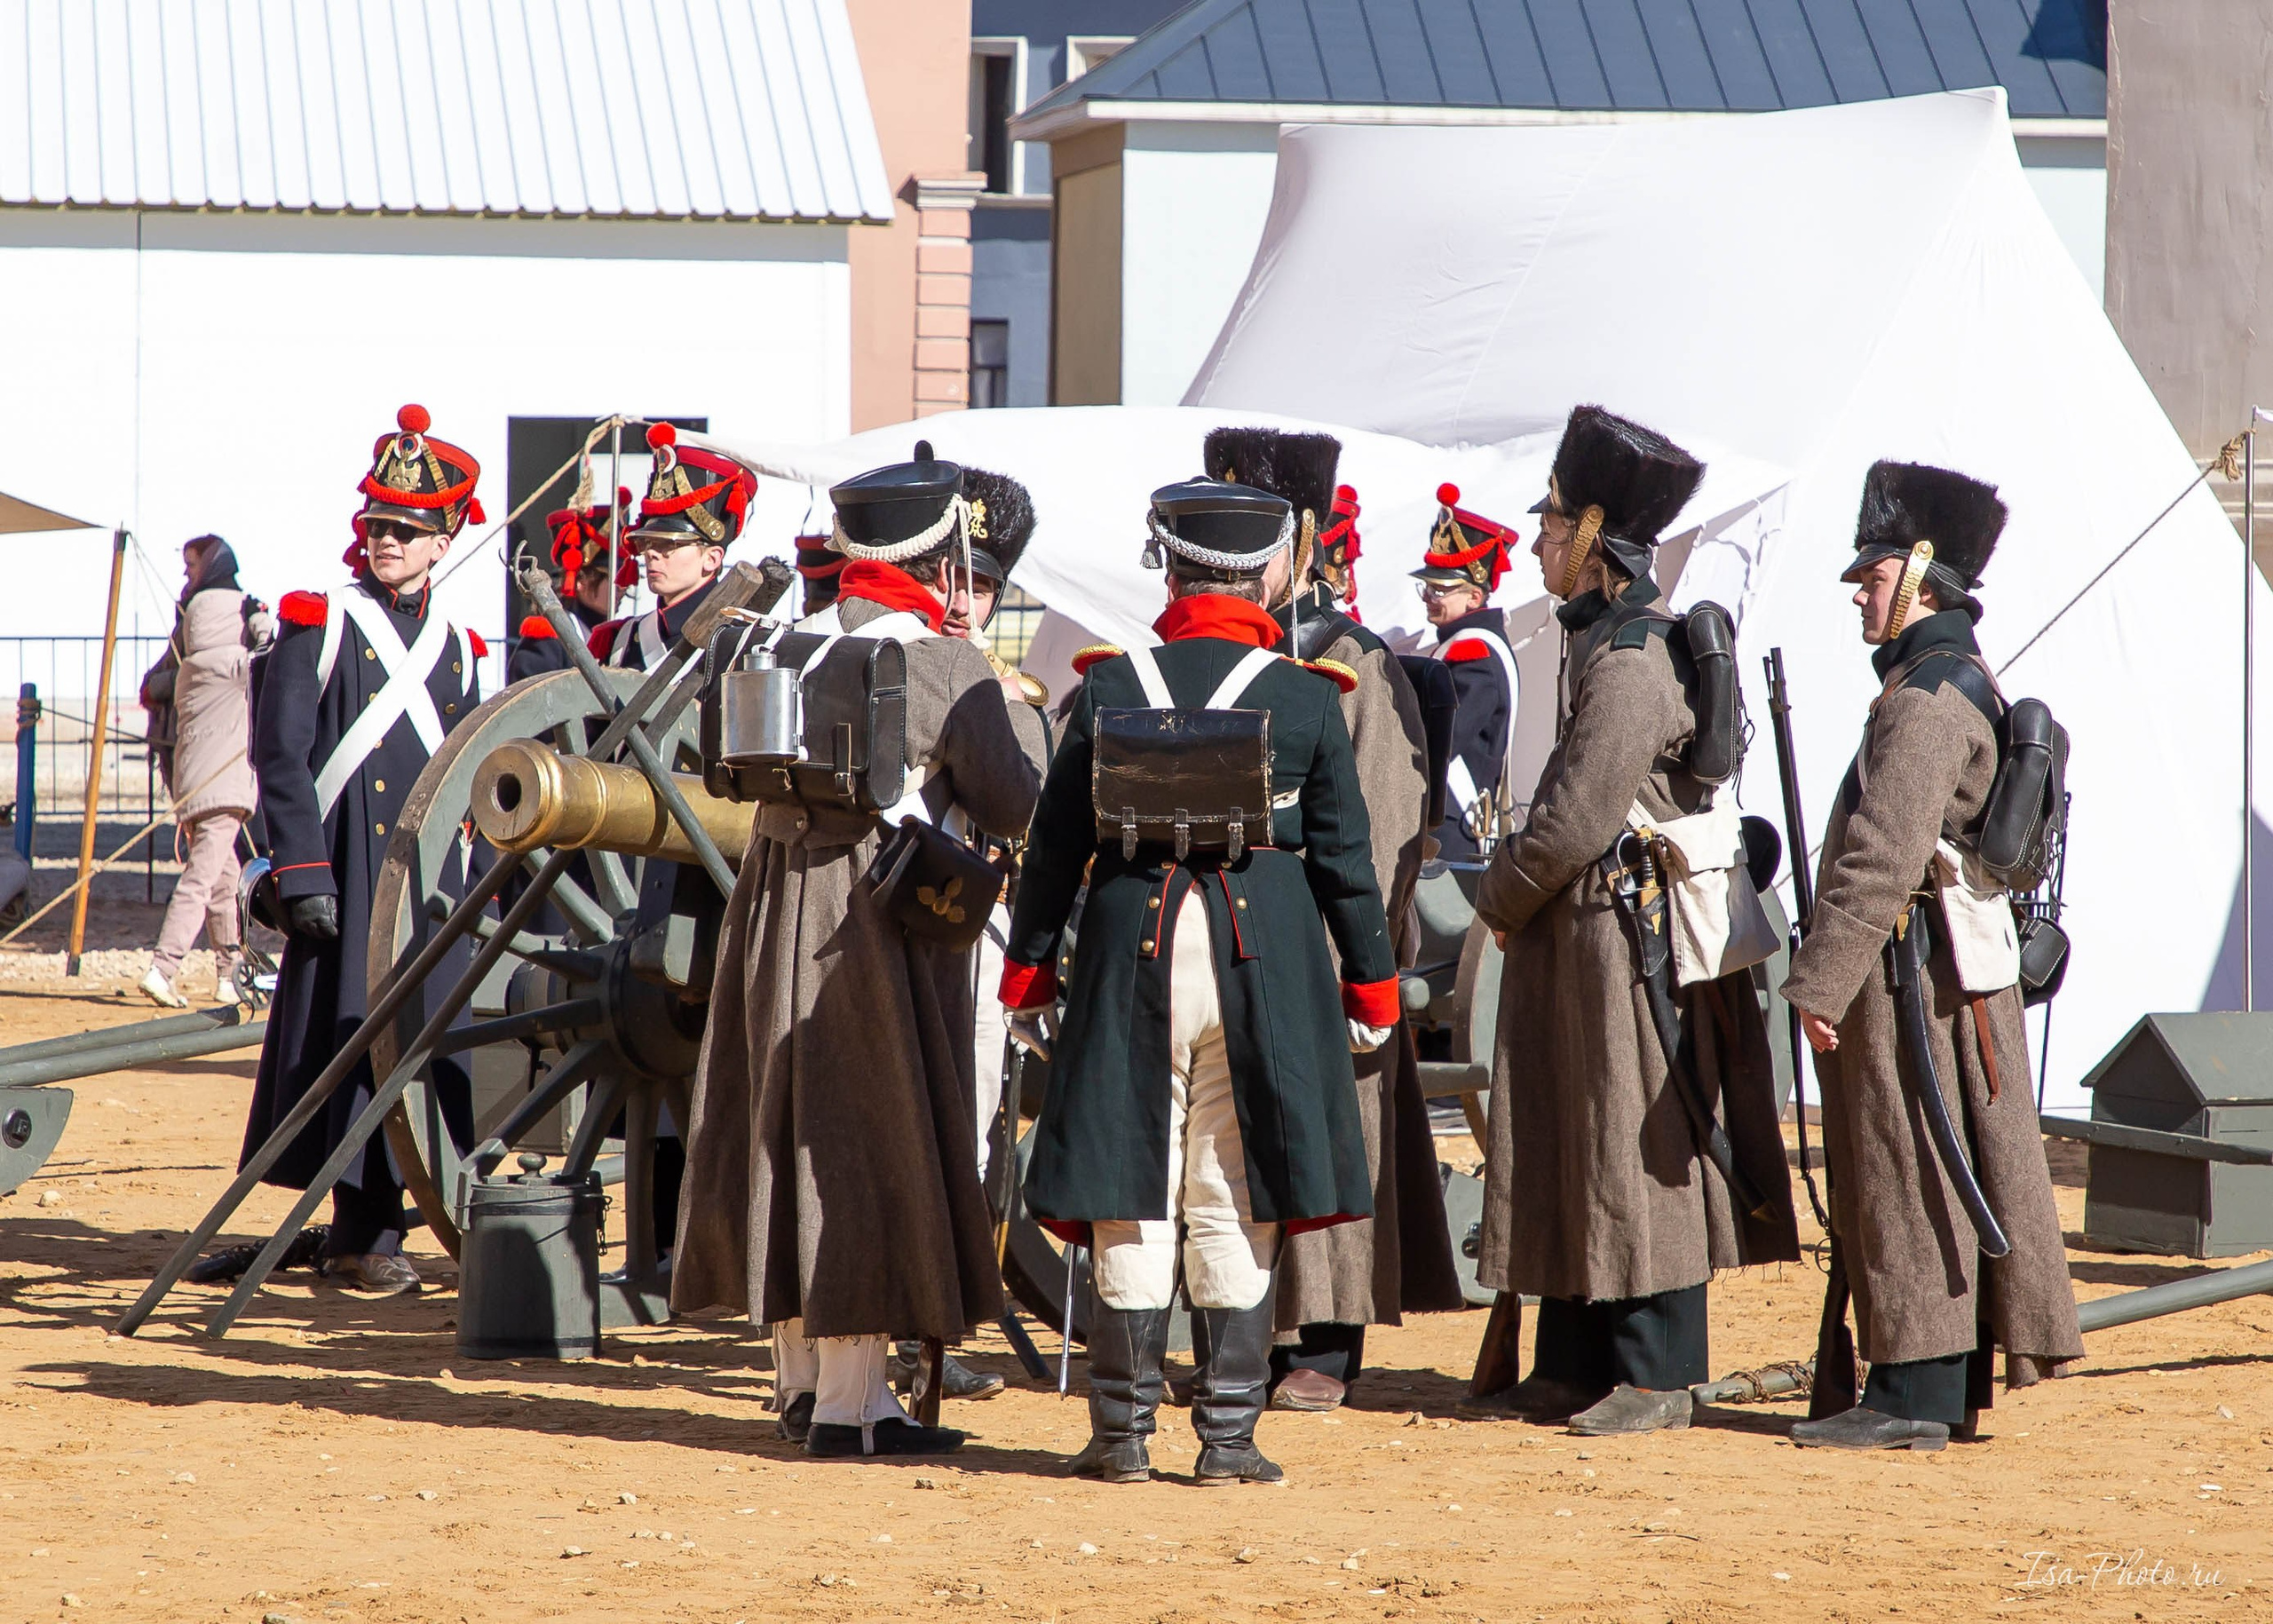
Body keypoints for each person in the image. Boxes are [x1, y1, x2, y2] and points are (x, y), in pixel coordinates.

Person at [1002, 476, 1401, 1486]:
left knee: (1127, 1184)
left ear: (1172, 569)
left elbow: (1053, 849)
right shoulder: (1308, 693)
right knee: (1232, 1183)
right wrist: (1372, 986)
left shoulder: (1109, 685)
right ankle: (1227, 1437)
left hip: (1129, 948)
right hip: (1261, 956)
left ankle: (1121, 1435)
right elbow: (1345, 861)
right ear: (1264, 575)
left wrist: (1027, 971)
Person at [673, 440, 1048, 1460]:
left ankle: (799, 1384)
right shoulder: (945, 661)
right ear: (942, 557)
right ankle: (853, 1407)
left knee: (781, 1125)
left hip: (769, 899)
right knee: (860, 1141)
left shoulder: (782, 634)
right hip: (871, 917)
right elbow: (1013, 801)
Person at [1463, 405, 1797, 1435]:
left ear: (1593, 529)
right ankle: (1573, 1361)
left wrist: (1497, 897)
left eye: (1550, 522)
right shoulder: (1601, 641)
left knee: (1634, 1147)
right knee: (1576, 1139)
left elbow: (1575, 819)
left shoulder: (1631, 661)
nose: (1535, 541)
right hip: (1584, 937)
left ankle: (1656, 1372)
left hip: (1625, 943)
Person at [1782, 462, 2082, 1451]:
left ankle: (1911, 1391)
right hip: (1923, 966)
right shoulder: (1941, 681)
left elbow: (1881, 855)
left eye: (1872, 578)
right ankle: (1926, 1389)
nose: (1858, 596)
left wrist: (1819, 982)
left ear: (1917, 576)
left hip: (1912, 974)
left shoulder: (1925, 700)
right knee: (1918, 1168)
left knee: (1908, 1167)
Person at [1206, 425, 1462, 1414]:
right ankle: (1239, 1329)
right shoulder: (1210, 655)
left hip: (1317, 942)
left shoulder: (1354, 663)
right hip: (1219, 939)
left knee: (1334, 1130)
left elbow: (1387, 828)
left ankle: (1324, 1335)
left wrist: (1343, 950)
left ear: (1301, 543)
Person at [238, 404, 486, 1296]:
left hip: (426, 883)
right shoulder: (323, 620)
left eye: (407, 530)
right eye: (378, 524)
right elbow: (281, 755)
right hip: (347, 863)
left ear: (443, 540)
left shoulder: (461, 646)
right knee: (346, 1047)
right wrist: (302, 869)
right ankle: (360, 1230)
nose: (386, 540)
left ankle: (406, 1216)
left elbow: (470, 771)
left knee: (424, 1045)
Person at [887, 463, 1041, 1407]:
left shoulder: (994, 679)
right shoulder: (924, 661)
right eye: (947, 578)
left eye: (979, 584)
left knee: (969, 1129)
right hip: (903, 919)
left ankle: (930, 1329)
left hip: (969, 925)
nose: (960, 601)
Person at [139, 536, 265, 1010]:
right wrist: (259, 619)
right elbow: (273, 655)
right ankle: (163, 967)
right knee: (200, 880)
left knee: (225, 883)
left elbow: (154, 687)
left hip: (193, 786)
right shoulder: (239, 666)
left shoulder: (189, 667)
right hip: (223, 789)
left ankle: (229, 974)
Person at [1409, 487, 1521, 858]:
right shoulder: (1466, 646)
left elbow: (1439, 743)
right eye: (1427, 587)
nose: (1429, 597)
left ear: (1474, 596)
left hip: (1452, 828)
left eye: (1440, 589)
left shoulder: (1473, 655)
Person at [510, 489, 631, 683]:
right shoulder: (549, 641)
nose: (623, 587)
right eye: (613, 578)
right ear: (581, 580)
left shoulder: (617, 638)